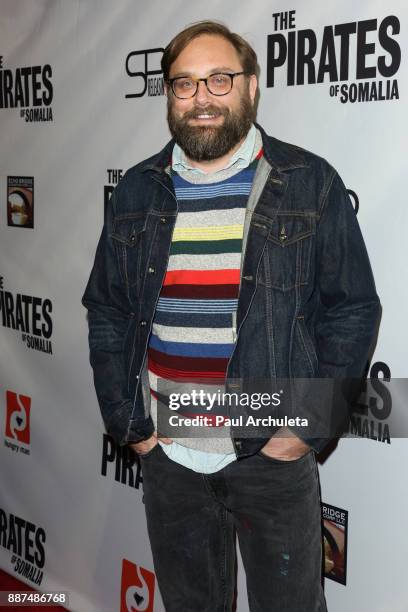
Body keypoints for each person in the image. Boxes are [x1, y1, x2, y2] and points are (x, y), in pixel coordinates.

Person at [82, 20, 380, 612]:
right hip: (169, 456)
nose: (201, 98)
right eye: (184, 84)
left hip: (270, 452)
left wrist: (301, 433)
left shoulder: (308, 182)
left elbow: (351, 310)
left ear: (251, 88)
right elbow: (108, 310)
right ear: (169, 97)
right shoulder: (139, 190)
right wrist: (132, 427)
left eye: (219, 79)